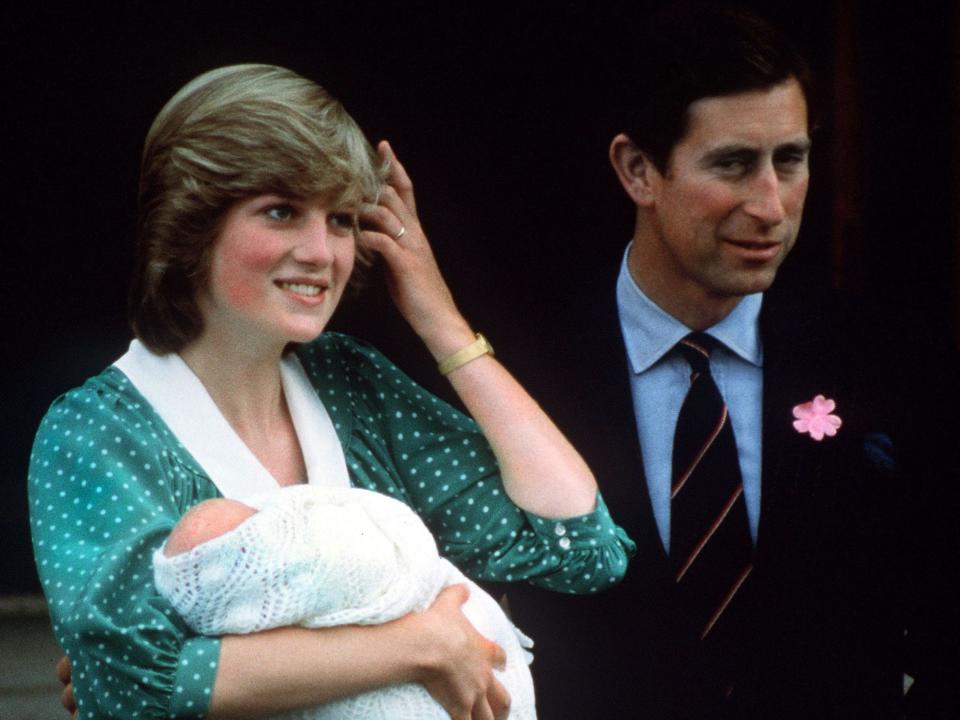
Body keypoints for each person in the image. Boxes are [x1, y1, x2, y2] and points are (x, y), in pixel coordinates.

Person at [29, 63, 633, 720]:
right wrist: (415, 645)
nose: (322, 252)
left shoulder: (350, 386)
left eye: (342, 219)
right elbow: (127, 686)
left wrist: (439, 317)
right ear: (189, 226)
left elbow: (578, 544)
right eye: (282, 211)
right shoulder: (99, 431)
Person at [504, 3, 923, 718]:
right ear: (638, 169)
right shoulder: (526, 370)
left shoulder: (884, 357)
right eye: (733, 164)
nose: (771, 205)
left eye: (789, 160)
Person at [153, 485, 536, 719]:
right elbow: (137, 682)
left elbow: (578, 545)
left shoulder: (358, 391)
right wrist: (426, 644)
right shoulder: (121, 438)